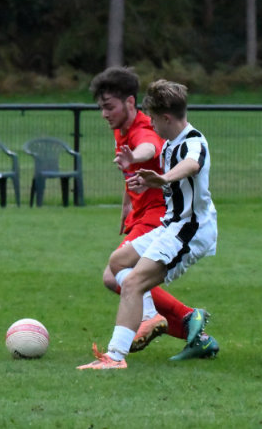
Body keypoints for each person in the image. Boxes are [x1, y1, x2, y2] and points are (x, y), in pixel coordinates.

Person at [78, 80, 218, 369]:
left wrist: (163, 178)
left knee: (132, 283)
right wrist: (145, 184)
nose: (150, 123)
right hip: (171, 225)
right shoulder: (169, 145)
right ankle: (153, 316)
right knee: (118, 262)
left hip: (190, 231)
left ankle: (115, 357)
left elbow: (192, 165)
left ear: (166, 118)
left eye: (153, 118)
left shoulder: (193, 142)